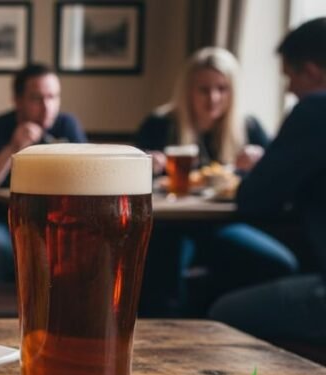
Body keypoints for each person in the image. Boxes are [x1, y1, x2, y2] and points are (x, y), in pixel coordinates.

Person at [134, 47, 297, 315]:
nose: (213, 98)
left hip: (222, 223)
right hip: (171, 225)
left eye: (222, 89)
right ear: (187, 91)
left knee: (278, 263)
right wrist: (147, 165)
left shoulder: (248, 126)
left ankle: (220, 314)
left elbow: (272, 179)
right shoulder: (160, 124)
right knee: (167, 280)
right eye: (203, 90)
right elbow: (135, 179)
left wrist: (260, 162)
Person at [210, 18, 326, 344]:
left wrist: (258, 170)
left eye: (290, 77)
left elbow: (253, 199)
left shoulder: (315, 110)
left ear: (312, 72)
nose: (289, 89)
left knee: (223, 315)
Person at [0, 63, 87, 281]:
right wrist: (13, 148)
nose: (47, 107)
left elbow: (86, 178)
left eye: (53, 97)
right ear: (17, 100)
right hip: (0, 223)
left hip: (55, 224)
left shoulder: (67, 126)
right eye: (37, 98)